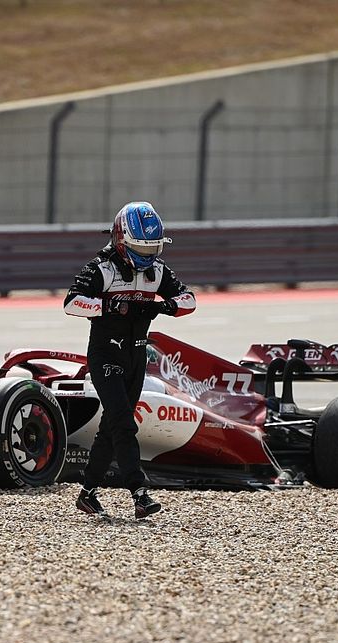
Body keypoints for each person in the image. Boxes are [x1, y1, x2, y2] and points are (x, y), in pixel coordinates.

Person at [63, 201, 196, 518]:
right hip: (105, 354)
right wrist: (111, 308)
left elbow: (188, 300)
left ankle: (87, 494)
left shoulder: (157, 271)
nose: (147, 255)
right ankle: (140, 493)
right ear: (122, 240)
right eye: (140, 248)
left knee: (110, 429)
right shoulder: (102, 268)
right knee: (124, 424)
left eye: (152, 248)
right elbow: (71, 303)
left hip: (136, 356)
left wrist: (162, 307)